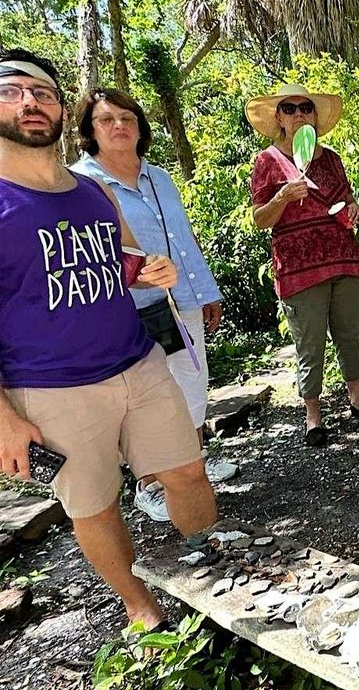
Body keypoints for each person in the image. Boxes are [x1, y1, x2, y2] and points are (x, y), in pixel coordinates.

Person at [0, 49, 217, 631]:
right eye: (12, 90)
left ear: (60, 106)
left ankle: (216, 572)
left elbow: (123, 259)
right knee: (94, 506)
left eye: (42, 92)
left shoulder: (94, 191)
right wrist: (3, 419)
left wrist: (151, 270)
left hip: (138, 359)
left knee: (189, 472)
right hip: (50, 389)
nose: (29, 102)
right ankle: (139, 605)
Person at [71, 88, 237, 523]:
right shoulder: (80, 185)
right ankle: (150, 485)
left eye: (127, 117)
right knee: (143, 400)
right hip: (126, 311)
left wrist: (206, 291)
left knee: (191, 385)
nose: (119, 126)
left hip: (179, 301)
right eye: (106, 119)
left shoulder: (159, 177)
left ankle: (192, 465)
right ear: (90, 130)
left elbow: (182, 238)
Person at [247, 83, 359, 447]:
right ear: (279, 117)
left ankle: (358, 401)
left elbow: (346, 200)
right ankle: (313, 417)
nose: (299, 115)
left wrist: (354, 209)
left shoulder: (331, 159)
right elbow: (260, 219)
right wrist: (281, 196)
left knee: (349, 335)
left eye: (305, 108)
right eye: (290, 109)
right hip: (298, 268)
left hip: (342, 258)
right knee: (310, 345)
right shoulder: (267, 162)